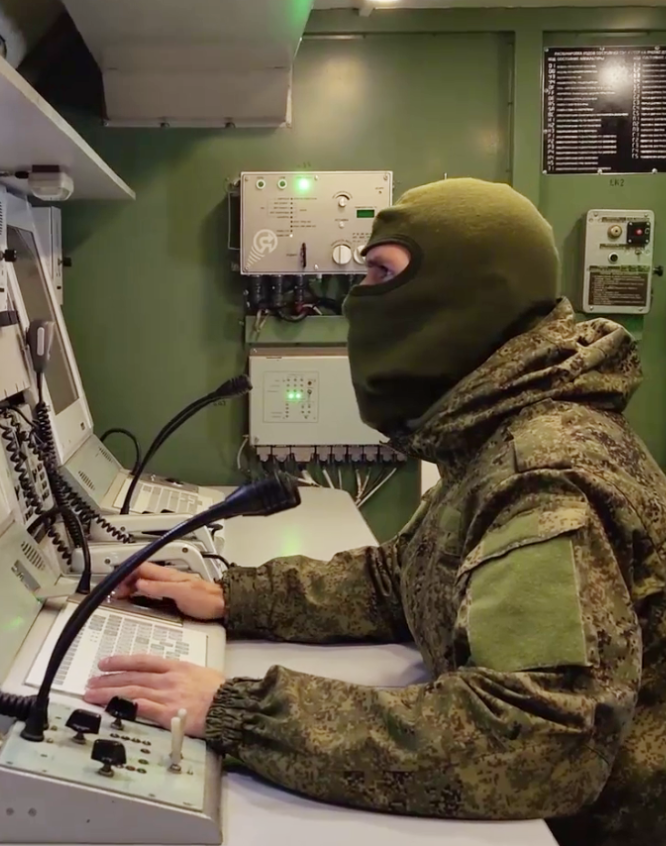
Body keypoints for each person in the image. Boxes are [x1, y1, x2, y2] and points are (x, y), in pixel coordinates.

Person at [83, 178, 666, 846]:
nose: (358, 298)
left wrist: (241, 711)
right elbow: (402, 579)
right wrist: (234, 597)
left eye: (382, 272)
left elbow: (535, 739)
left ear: (468, 292)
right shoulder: (495, 434)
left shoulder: (544, 473)